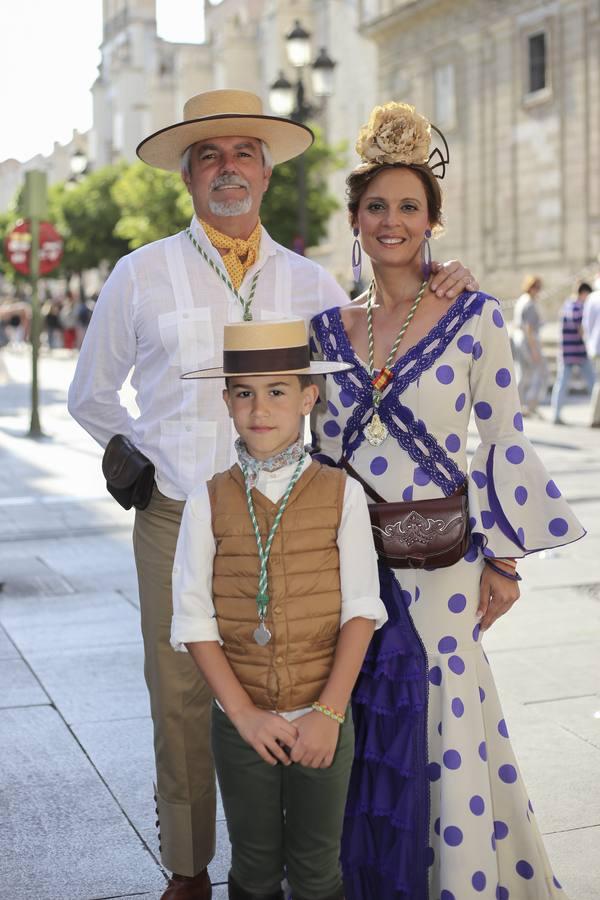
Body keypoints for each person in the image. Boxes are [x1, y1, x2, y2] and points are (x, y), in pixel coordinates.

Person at [67, 88, 477, 900]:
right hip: (183, 509)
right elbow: (91, 391)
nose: (229, 169)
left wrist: (434, 276)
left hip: (297, 509)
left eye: (244, 154)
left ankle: (297, 858)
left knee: (300, 676)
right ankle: (188, 868)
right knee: (182, 689)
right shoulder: (139, 272)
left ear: (263, 170)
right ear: (187, 175)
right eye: (211, 155)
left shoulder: (307, 278)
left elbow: (368, 354)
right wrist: (133, 458)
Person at [309, 101, 585, 900]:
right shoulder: (326, 330)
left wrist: (504, 560)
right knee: (357, 723)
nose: (391, 221)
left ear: (434, 219)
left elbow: (501, 438)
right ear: (354, 217)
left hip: (442, 573)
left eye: (408, 207)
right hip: (350, 574)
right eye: (376, 206)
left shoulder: (477, 317)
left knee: (448, 731)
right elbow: (318, 457)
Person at [170, 318, 387, 900]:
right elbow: (194, 620)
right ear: (227, 402)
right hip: (244, 724)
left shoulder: (342, 494)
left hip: (324, 715)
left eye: (277, 391)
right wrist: (241, 715)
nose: (259, 408)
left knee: (318, 871)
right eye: (244, 393)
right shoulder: (206, 500)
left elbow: (362, 610)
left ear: (308, 397)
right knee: (255, 868)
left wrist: (328, 713)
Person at [550, 282, 595, 424]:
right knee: (593, 383)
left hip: (566, 351)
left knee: (562, 383)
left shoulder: (567, 305)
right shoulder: (579, 307)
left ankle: (555, 414)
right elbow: (581, 329)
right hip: (578, 351)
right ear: (584, 293)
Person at [512, 275, 547, 416]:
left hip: (518, 338)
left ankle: (519, 404)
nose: (538, 291)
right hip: (528, 340)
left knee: (522, 372)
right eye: (536, 288)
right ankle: (532, 403)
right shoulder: (530, 304)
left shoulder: (522, 300)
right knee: (540, 371)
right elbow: (529, 328)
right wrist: (534, 349)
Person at [582, 278, 600, 427]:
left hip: (595, 346)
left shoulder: (591, 299)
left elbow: (586, 325)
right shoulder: (594, 298)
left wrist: (589, 344)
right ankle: (594, 417)